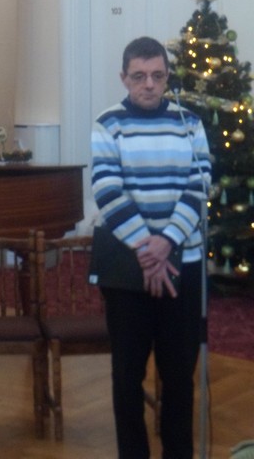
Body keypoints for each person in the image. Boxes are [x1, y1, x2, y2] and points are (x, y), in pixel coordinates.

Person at [91, 36, 211, 459]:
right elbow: (107, 191)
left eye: (158, 76)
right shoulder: (108, 124)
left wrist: (167, 242)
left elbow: (200, 185)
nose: (149, 84)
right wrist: (149, 249)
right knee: (126, 377)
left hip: (184, 266)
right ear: (124, 78)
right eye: (139, 76)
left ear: (167, 77)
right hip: (129, 270)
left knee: (178, 377)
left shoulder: (190, 123)